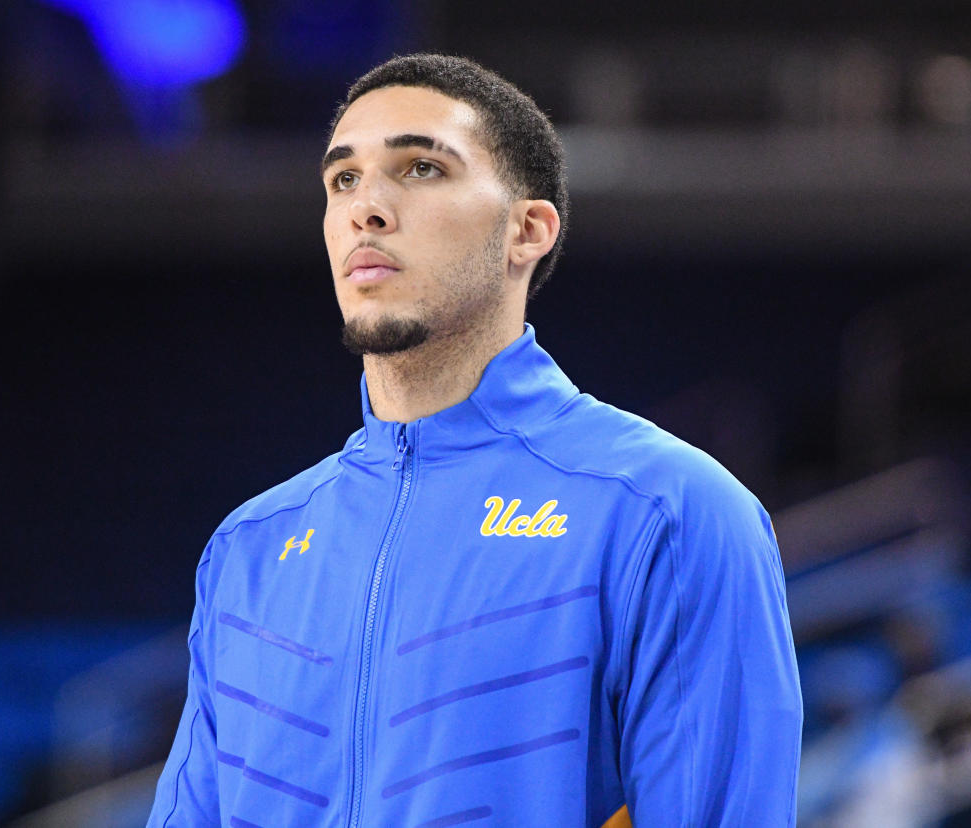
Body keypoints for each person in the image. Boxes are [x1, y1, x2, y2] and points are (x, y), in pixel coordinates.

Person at [148, 53, 802, 828]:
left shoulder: (664, 512)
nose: (368, 208)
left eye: (420, 168)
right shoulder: (251, 548)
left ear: (527, 230)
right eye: (343, 180)